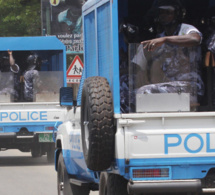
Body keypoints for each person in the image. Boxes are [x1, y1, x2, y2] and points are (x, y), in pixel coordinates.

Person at [135, 0, 204, 105]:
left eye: (168, 12)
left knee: (145, 92)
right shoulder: (160, 37)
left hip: (190, 85)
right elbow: (155, 64)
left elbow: (195, 39)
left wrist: (165, 40)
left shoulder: (186, 29)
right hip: (170, 84)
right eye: (161, 12)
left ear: (177, 14)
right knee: (137, 92)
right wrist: (142, 71)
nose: (163, 15)